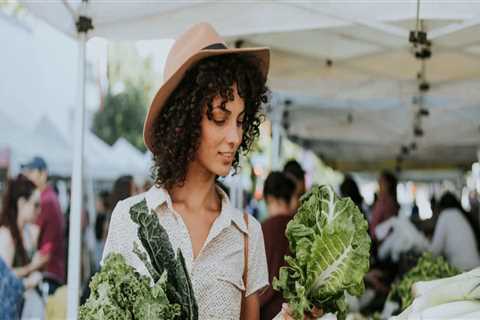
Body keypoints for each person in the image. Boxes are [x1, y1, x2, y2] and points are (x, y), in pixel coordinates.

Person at [22, 156, 66, 294]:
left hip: (47, 274)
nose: (28, 177)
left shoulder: (45, 201)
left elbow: (31, 241)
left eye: (31, 172)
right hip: (50, 271)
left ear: (43, 173)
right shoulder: (50, 197)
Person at [260, 172, 297, 320]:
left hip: (266, 312)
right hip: (295, 312)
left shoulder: (262, 230)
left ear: (269, 198)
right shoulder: (301, 230)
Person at [0, 174, 43, 289]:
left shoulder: (28, 232)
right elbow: (4, 277)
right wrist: (31, 268)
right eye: (36, 205)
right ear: (22, 203)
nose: (39, 210)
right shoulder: (6, 235)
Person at [430, 192, 480, 270]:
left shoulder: (445, 215)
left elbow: (435, 250)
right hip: (476, 267)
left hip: (462, 269)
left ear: (441, 206)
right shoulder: (461, 214)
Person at [370, 170, 399, 239]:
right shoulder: (384, 200)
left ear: (389, 184)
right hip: (379, 238)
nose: (379, 183)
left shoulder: (386, 201)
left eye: (382, 182)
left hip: (382, 240)